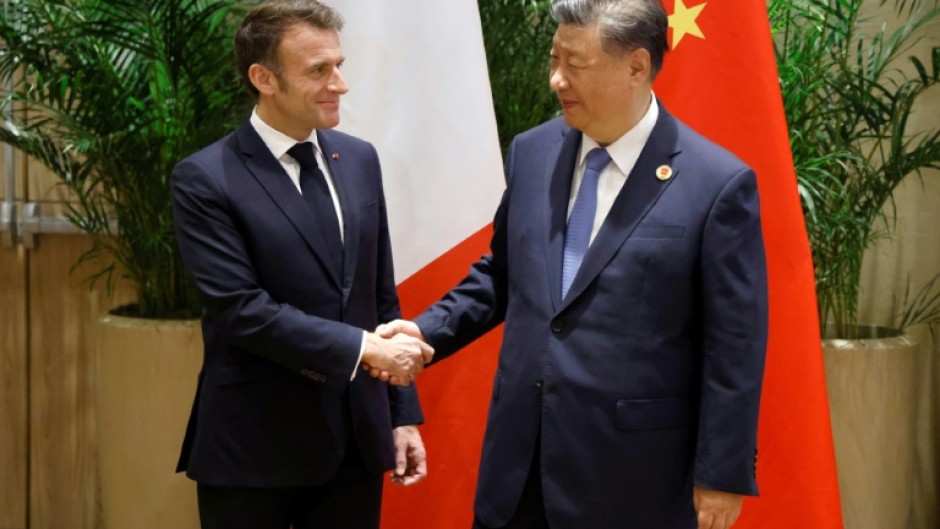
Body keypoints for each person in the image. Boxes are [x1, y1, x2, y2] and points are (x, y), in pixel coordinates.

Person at [375, 0, 768, 528]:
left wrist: (722, 471)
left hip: (632, 479)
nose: (557, 78)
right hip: (518, 469)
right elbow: (503, 274)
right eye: (554, 58)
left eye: (575, 63)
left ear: (635, 66)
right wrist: (422, 335)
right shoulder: (533, 153)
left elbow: (735, 343)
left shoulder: (716, 184)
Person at [170, 1, 433, 528]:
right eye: (318, 70)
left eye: (339, 65)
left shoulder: (359, 159)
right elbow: (241, 310)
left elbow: (379, 296)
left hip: (355, 445)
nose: (340, 84)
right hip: (253, 451)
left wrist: (399, 417)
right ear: (263, 77)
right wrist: (364, 348)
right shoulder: (205, 178)